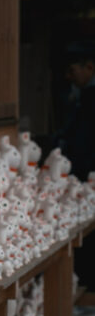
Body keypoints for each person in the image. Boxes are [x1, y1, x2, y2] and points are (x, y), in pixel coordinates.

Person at [61, 46, 95, 294]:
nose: (69, 77)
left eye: (73, 70)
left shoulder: (90, 97)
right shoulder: (83, 95)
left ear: (89, 68)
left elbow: (84, 140)